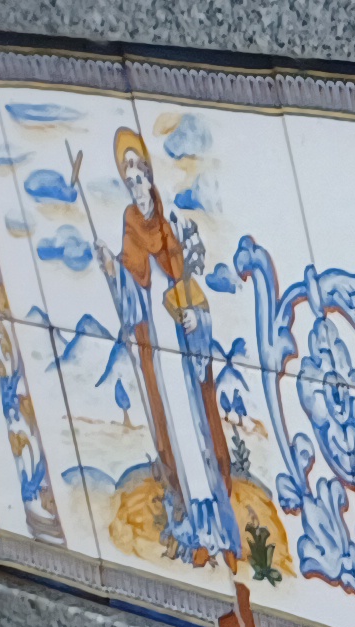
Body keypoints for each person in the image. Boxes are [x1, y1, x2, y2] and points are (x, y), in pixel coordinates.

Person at [100, 127, 237, 562]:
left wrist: (196, 319)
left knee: (199, 433)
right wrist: (112, 271)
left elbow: (187, 287)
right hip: (159, 357)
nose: (136, 184)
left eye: (140, 174)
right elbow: (130, 297)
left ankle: (217, 527)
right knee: (177, 436)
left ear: (150, 177)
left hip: (181, 350)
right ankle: (194, 527)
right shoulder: (130, 235)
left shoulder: (168, 231)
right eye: (129, 178)